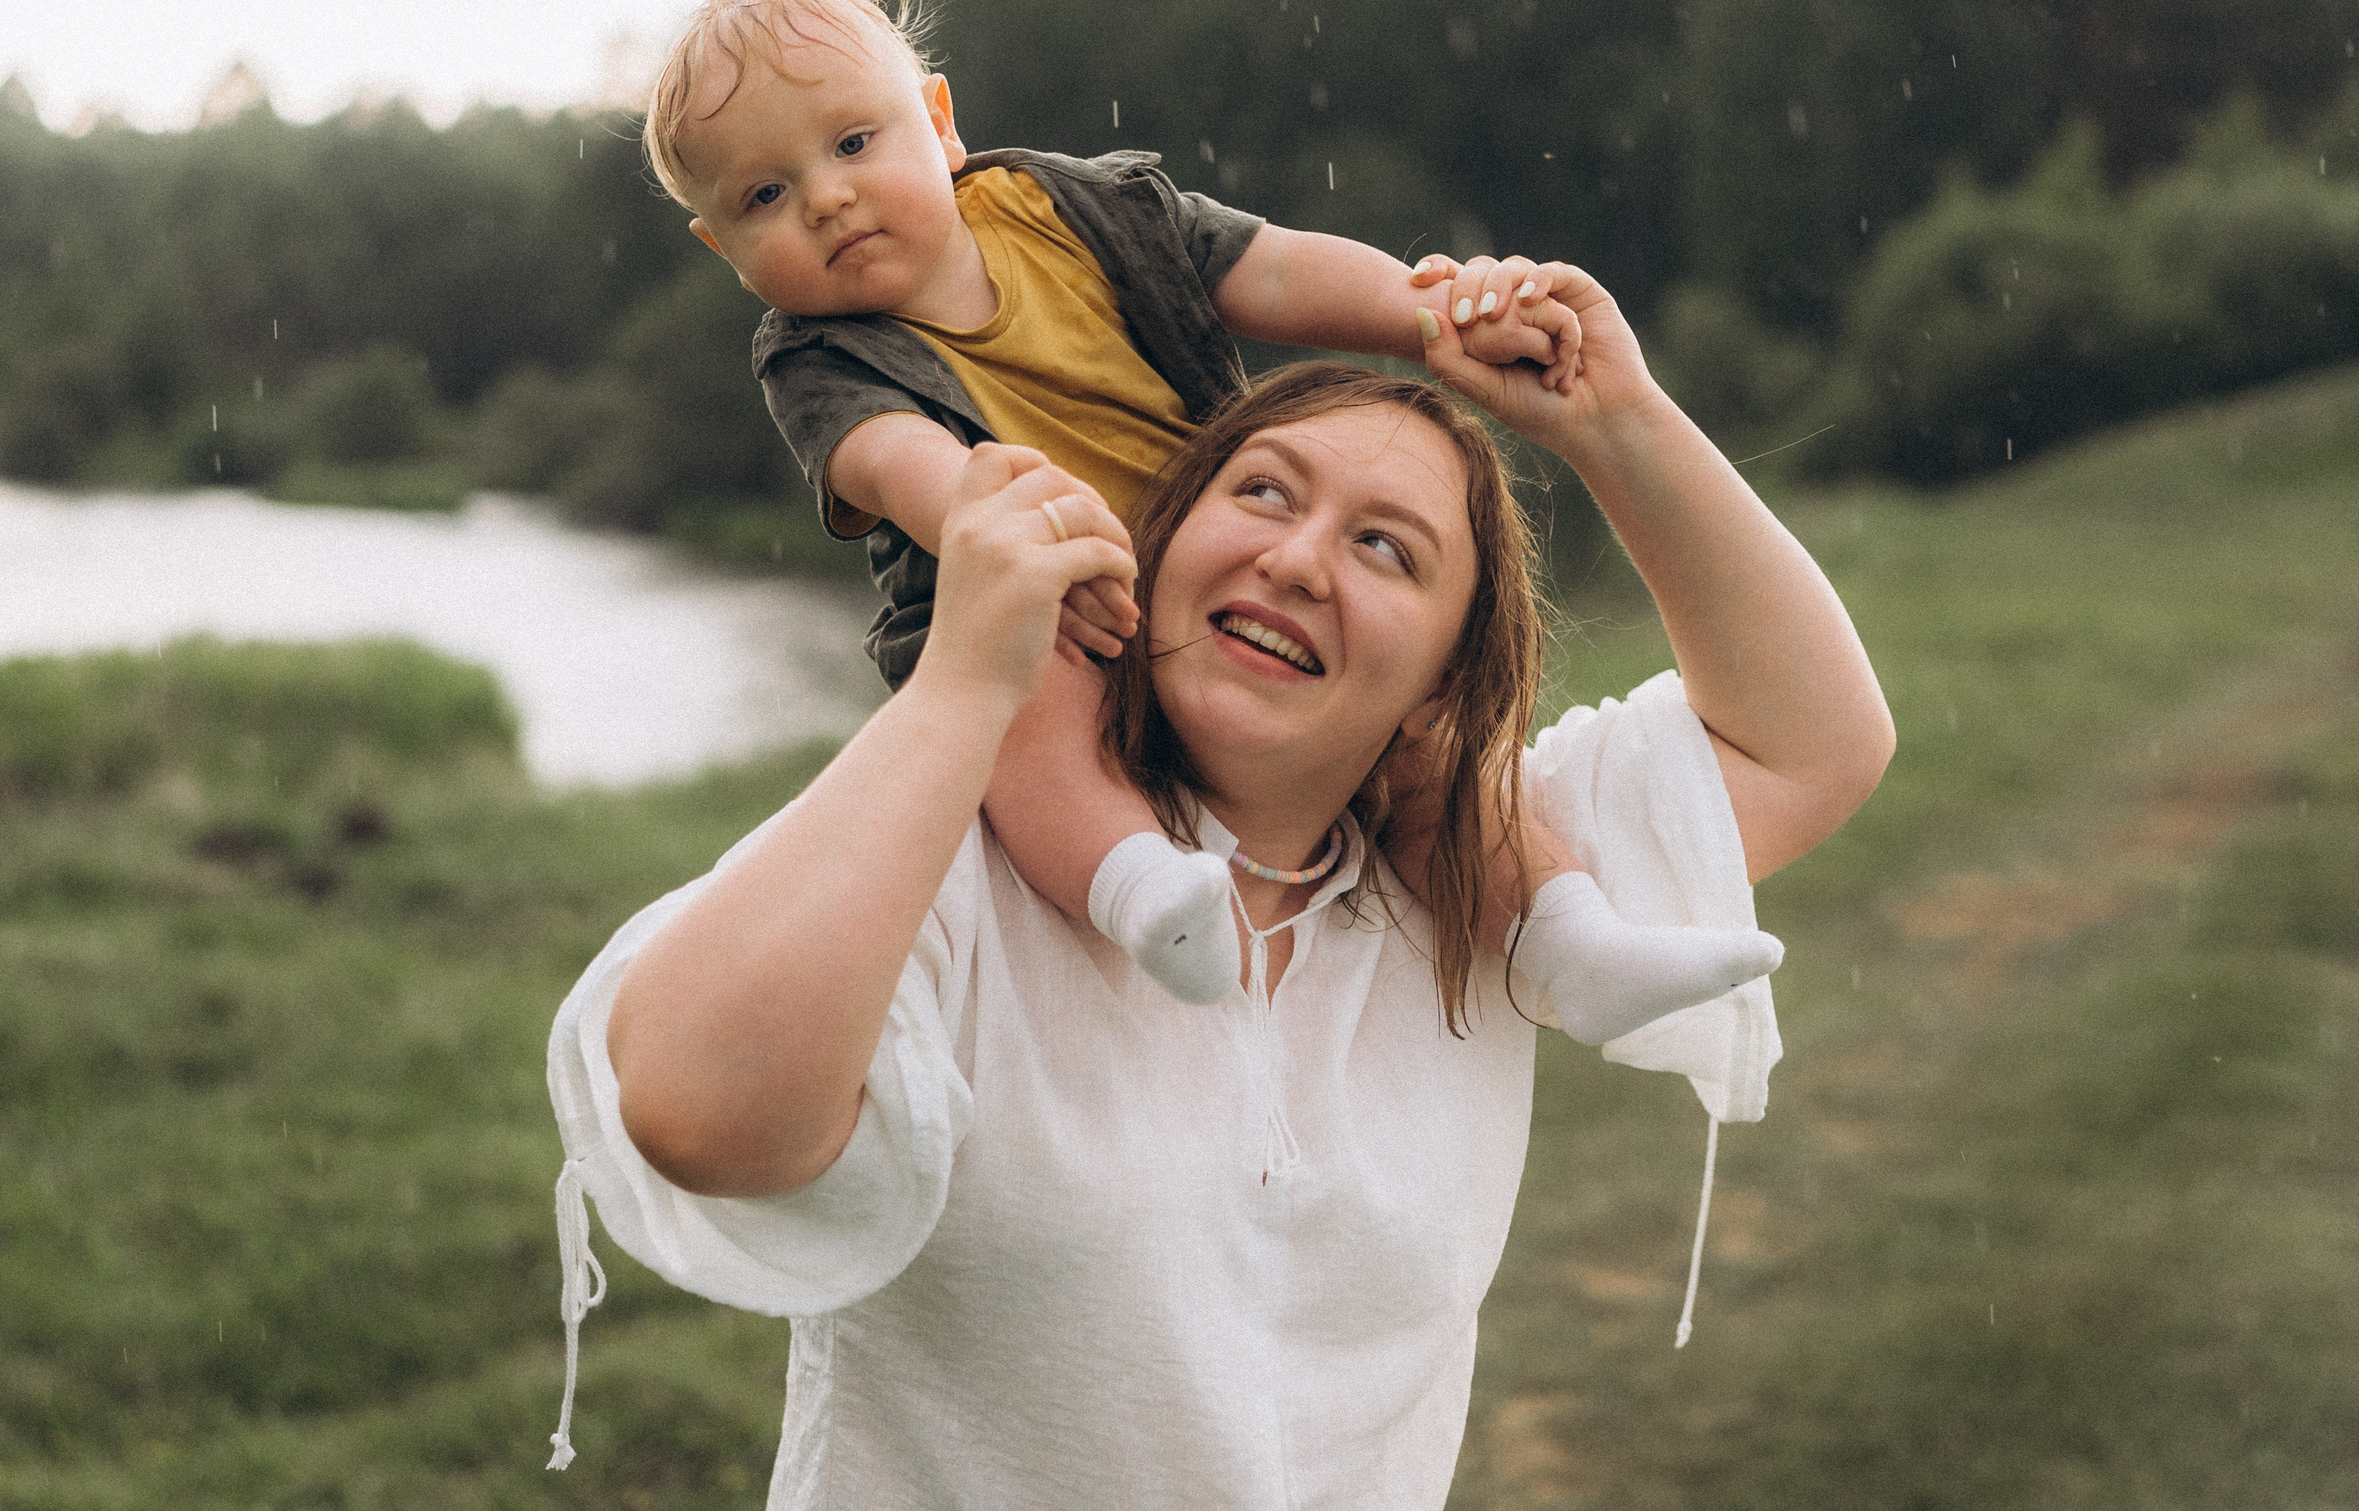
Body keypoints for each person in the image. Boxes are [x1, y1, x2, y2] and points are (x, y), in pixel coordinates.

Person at [545, 265, 1896, 1504]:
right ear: (1156, 545)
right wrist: (965, 683)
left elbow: (1816, 743)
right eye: (1261, 492)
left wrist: (1618, 421)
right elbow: (699, 1109)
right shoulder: (955, 850)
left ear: (1441, 674)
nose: (1299, 559)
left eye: (1387, 549)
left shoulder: (1482, 881)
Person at [638, 0, 1778, 1044]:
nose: (827, 197)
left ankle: (1569, 942)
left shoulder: (1070, 208)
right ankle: (1139, 888)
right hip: (1044, 607)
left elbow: (1265, 269)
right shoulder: (813, 356)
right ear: (721, 245)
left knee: (1420, 751)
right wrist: (1023, 550)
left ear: (938, 120)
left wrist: (1425, 312)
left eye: (851, 142)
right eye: (765, 195)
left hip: (1213, 574)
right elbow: (899, 466)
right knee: (1023, 707)